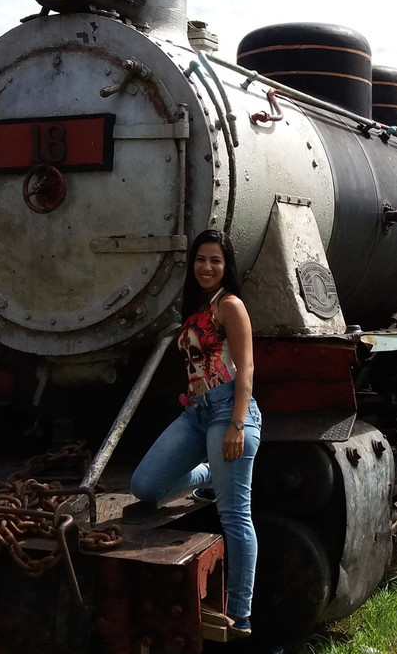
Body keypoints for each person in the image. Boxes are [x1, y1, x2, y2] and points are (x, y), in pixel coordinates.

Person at [129, 229, 261, 638]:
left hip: (228, 414)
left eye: (215, 261)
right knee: (145, 486)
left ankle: (240, 612)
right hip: (196, 414)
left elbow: (247, 369)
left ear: (227, 266)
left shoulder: (230, 306)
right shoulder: (196, 308)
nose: (207, 267)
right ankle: (207, 474)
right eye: (201, 260)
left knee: (234, 515)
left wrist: (237, 424)